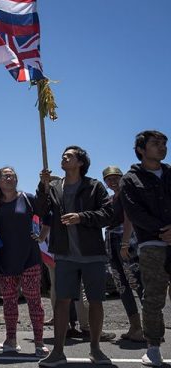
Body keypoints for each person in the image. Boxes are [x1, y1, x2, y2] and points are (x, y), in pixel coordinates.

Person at [36, 146, 114, 367]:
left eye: (69, 156)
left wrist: (82, 217)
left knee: (96, 302)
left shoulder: (94, 186)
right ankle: (58, 352)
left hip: (92, 254)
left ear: (80, 162)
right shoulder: (53, 187)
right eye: (63, 155)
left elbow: (108, 214)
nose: (64, 157)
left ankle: (96, 349)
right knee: (61, 302)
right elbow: (40, 211)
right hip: (64, 254)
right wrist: (42, 187)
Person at [120, 130, 170, 367]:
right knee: (153, 298)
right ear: (141, 149)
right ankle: (153, 348)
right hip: (152, 245)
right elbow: (134, 212)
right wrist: (163, 231)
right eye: (155, 143)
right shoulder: (131, 179)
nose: (162, 147)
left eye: (164, 143)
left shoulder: (170, 173)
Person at [0, 167, 49, 357]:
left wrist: (41, 237)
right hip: (4, 260)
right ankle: (11, 340)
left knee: (34, 302)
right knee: (9, 303)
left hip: (29, 259)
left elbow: (46, 215)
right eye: (5, 175)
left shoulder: (27, 198)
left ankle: (39, 342)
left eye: (13, 175)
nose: (9, 177)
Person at [102, 166, 144, 342]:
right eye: (108, 179)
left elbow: (129, 219)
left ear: (121, 177)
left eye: (115, 178)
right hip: (112, 240)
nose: (112, 181)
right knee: (121, 284)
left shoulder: (127, 194)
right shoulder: (111, 199)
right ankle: (135, 326)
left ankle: (151, 327)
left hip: (126, 239)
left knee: (136, 280)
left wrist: (126, 243)